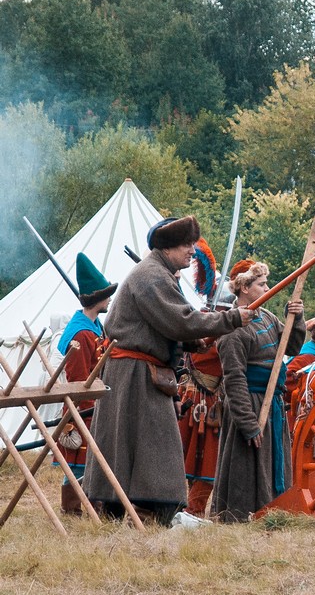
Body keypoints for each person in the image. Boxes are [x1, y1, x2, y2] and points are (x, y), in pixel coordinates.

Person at [83, 216, 253, 526]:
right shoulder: (152, 276)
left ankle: (144, 508)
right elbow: (182, 320)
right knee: (147, 442)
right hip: (132, 372)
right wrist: (231, 319)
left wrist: (192, 343)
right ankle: (142, 507)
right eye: (186, 245)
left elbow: (165, 327)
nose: (192, 250)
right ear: (167, 247)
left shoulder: (160, 274)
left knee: (147, 443)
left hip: (140, 370)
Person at [210, 260, 304, 522]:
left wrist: (295, 319)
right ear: (244, 288)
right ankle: (239, 518)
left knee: (273, 461)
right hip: (249, 403)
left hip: (271, 401)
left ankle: (274, 513)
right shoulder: (232, 330)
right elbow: (234, 379)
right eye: (262, 284)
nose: (267, 288)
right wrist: (248, 423)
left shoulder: (267, 317)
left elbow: (292, 348)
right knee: (246, 465)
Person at [53, 252, 116, 515]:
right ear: (96, 299)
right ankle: (73, 509)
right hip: (84, 408)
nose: (110, 299)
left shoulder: (94, 326)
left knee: (91, 462)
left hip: (95, 407)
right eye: (107, 295)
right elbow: (79, 379)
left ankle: (92, 505)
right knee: (78, 463)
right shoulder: (81, 333)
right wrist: (89, 410)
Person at [176, 240, 228, 518]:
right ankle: (188, 510)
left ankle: (192, 510)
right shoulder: (207, 326)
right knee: (197, 459)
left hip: (206, 400)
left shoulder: (206, 323)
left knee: (204, 460)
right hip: (198, 401)